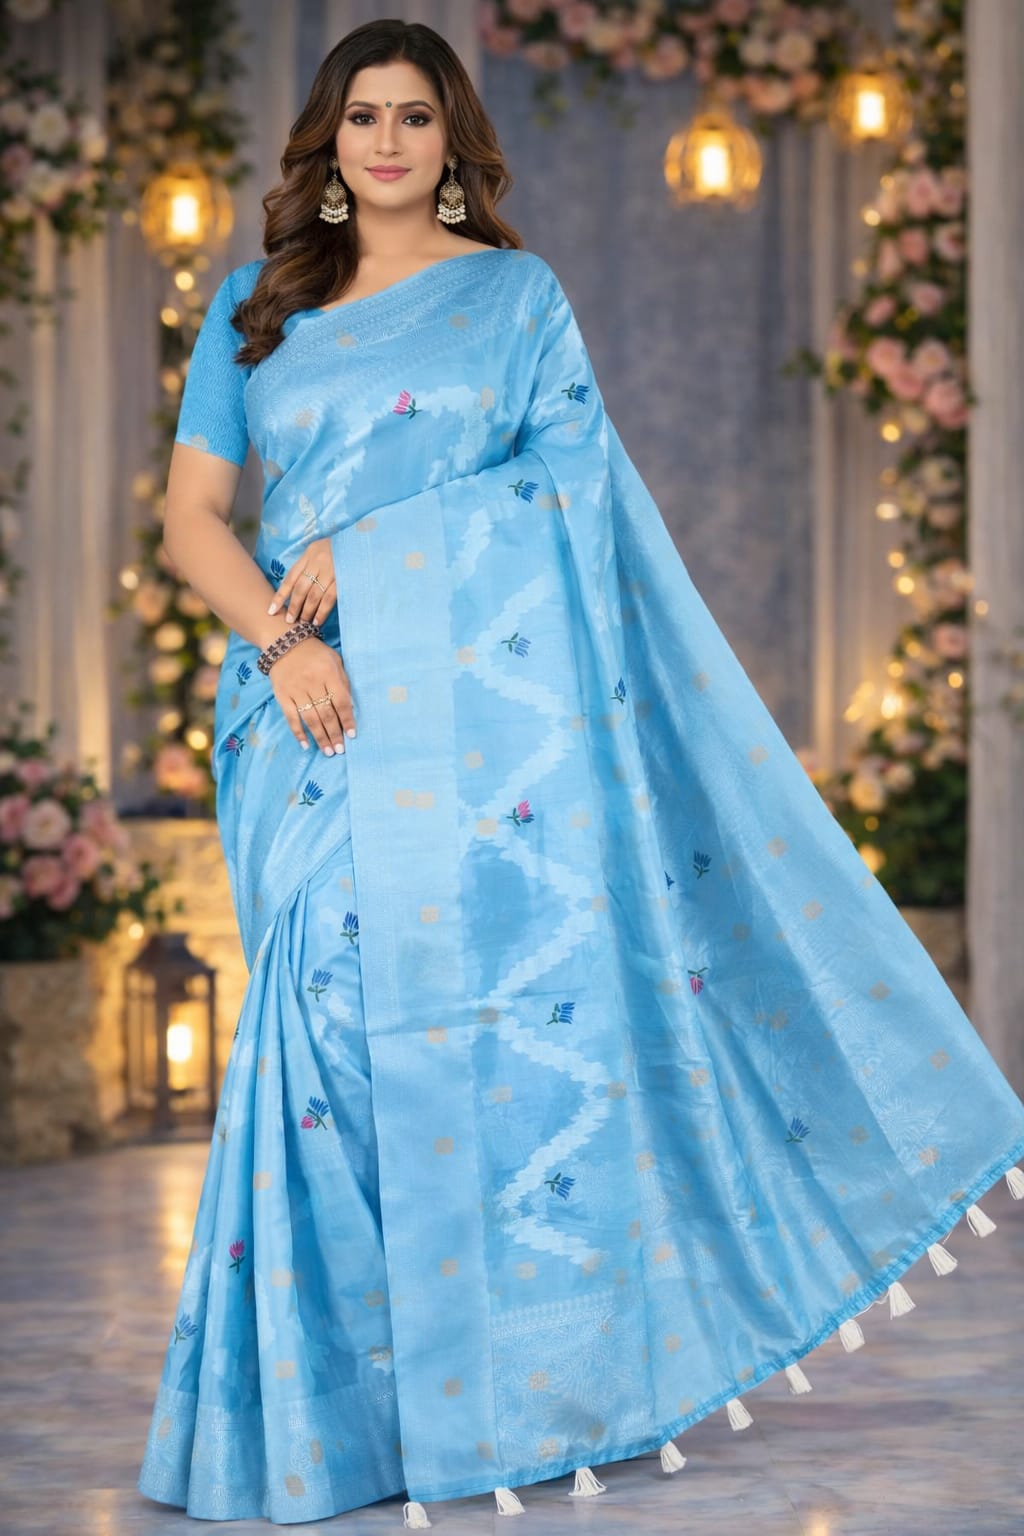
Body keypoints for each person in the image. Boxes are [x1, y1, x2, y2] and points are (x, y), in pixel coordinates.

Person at [136, 17, 1024, 1531]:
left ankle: (508, 1393)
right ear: (329, 142)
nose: (390, 141)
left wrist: (377, 551)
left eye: (417, 116)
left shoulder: (514, 299)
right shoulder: (255, 305)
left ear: (452, 140)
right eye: (365, 117)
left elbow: (570, 486)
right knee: (326, 1021)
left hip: (485, 731)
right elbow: (190, 522)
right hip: (311, 711)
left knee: (484, 1033)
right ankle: (340, 1418)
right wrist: (285, 647)